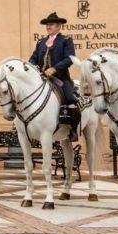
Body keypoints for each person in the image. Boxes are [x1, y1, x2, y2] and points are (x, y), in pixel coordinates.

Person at [29, 12, 78, 140]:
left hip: (60, 78)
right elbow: (33, 58)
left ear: (58, 26)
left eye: (51, 24)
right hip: (41, 77)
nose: (48, 27)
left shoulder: (66, 40)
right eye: (47, 25)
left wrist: (55, 69)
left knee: (70, 98)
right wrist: (31, 67)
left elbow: (70, 58)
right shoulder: (41, 41)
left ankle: (72, 129)